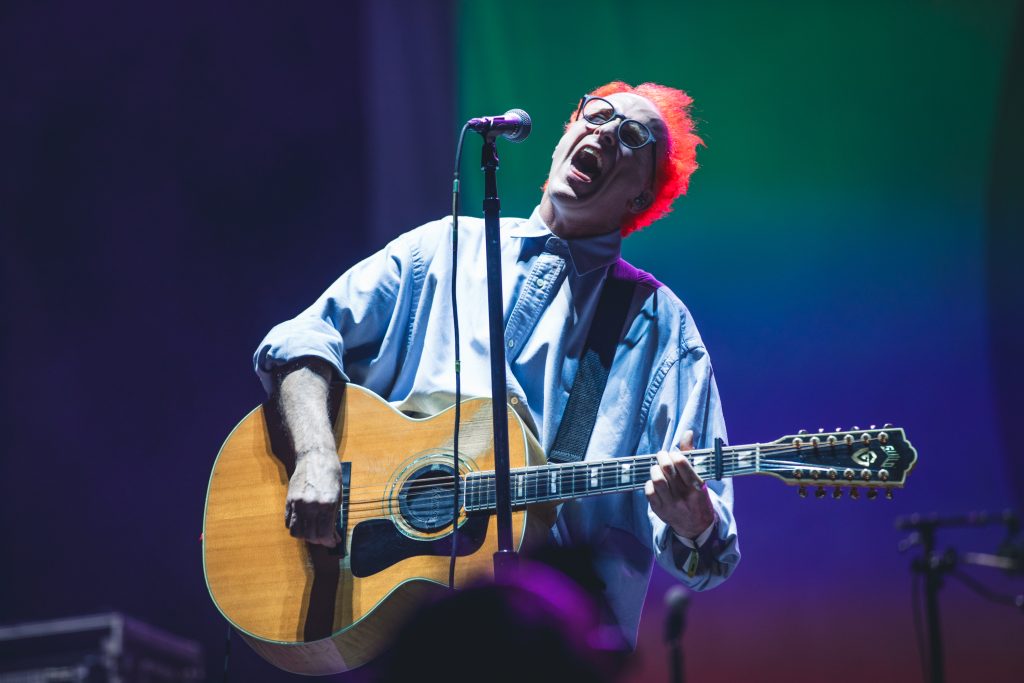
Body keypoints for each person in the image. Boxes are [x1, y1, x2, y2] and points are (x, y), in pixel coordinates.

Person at [253, 81, 740, 648]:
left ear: (640, 196)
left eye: (631, 136)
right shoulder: (440, 248)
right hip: (391, 624)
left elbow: (707, 554)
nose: (604, 131)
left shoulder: (659, 326)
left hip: (549, 648)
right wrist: (314, 456)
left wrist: (695, 521)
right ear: (565, 137)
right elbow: (301, 338)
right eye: (596, 114)